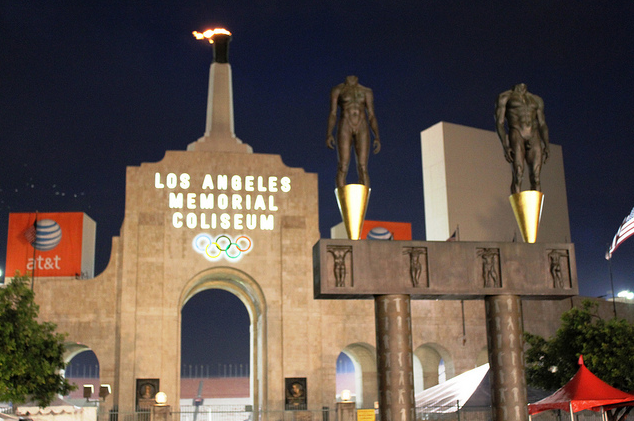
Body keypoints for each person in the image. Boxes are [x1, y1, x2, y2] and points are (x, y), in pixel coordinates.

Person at [326, 75, 381, 188]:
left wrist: (377, 136)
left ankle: (364, 203)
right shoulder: (338, 90)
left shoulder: (366, 91)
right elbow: (333, 113)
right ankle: (343, 202)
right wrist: (329, 133)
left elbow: (371, 115)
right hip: (345, 124)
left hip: (362, 125)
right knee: (343, 166)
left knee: (363, 167)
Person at [495, 83, 550, 194]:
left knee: (536, 178)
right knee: (518, 175)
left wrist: (547, 145)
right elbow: (499, 123)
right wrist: (505, 146)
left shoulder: (536, 99)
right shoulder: (505, 97)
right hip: (517, 133)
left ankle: (535, 211)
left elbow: (542, 124)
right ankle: (518, 209)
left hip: (533, 135)